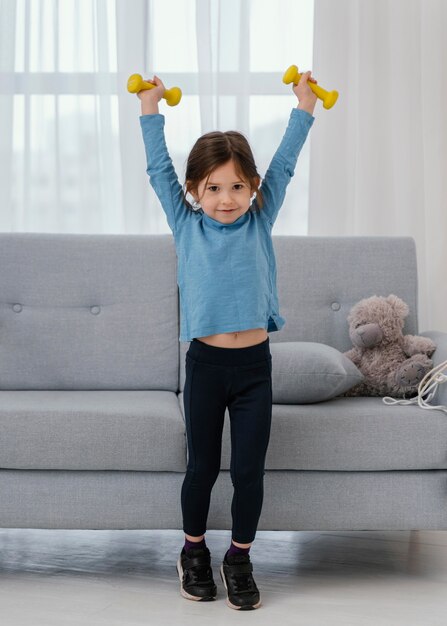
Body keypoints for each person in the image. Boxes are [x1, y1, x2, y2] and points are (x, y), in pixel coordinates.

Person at [137, 70, 317, 610]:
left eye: (237, 185)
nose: (226, 198)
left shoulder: (260, 218)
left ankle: (238, 556)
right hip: (206, 367)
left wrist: (304, 106)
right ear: (194, 190)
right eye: (213, 187)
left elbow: (285, 160)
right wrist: (150, 109)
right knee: (203, 467)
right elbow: (157, 168)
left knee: (248, 471)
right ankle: (193, 551)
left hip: (255, 369)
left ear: (254, 188)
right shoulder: (185, 223)